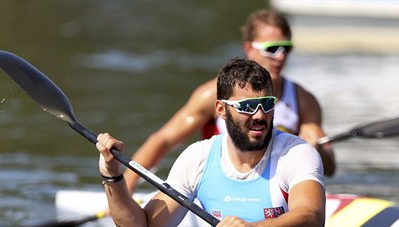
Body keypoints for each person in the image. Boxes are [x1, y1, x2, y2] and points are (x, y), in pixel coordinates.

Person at [96, 58, 325, 227]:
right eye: (247, 107)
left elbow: (311, 217)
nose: (259, 115)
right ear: (221, 109)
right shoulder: (199, 158)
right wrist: (113, 177)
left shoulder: (296, 153)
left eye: (266, 104)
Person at [122, 8, 335, 193]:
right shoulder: (211, 94)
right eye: (272, 48)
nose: (281, 56)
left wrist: (316, 148)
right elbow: (164, 141)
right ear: (249, 49)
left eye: (286, 48)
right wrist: (125, 191)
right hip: (221, 186)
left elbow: (330, 169)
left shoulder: (304, 100)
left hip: (276, 189)